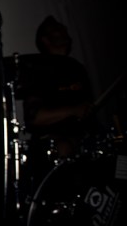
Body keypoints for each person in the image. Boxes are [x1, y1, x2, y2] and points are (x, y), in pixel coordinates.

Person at [23, 15, 95, 162]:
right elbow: (34, 117)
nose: (63, 29)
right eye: (57, 29)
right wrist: (74, 110)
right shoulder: (38, 71)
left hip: (84, 138)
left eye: (63, 27)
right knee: (63, 147)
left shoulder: (78, 69)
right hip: (53, 143)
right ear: (45, 40)